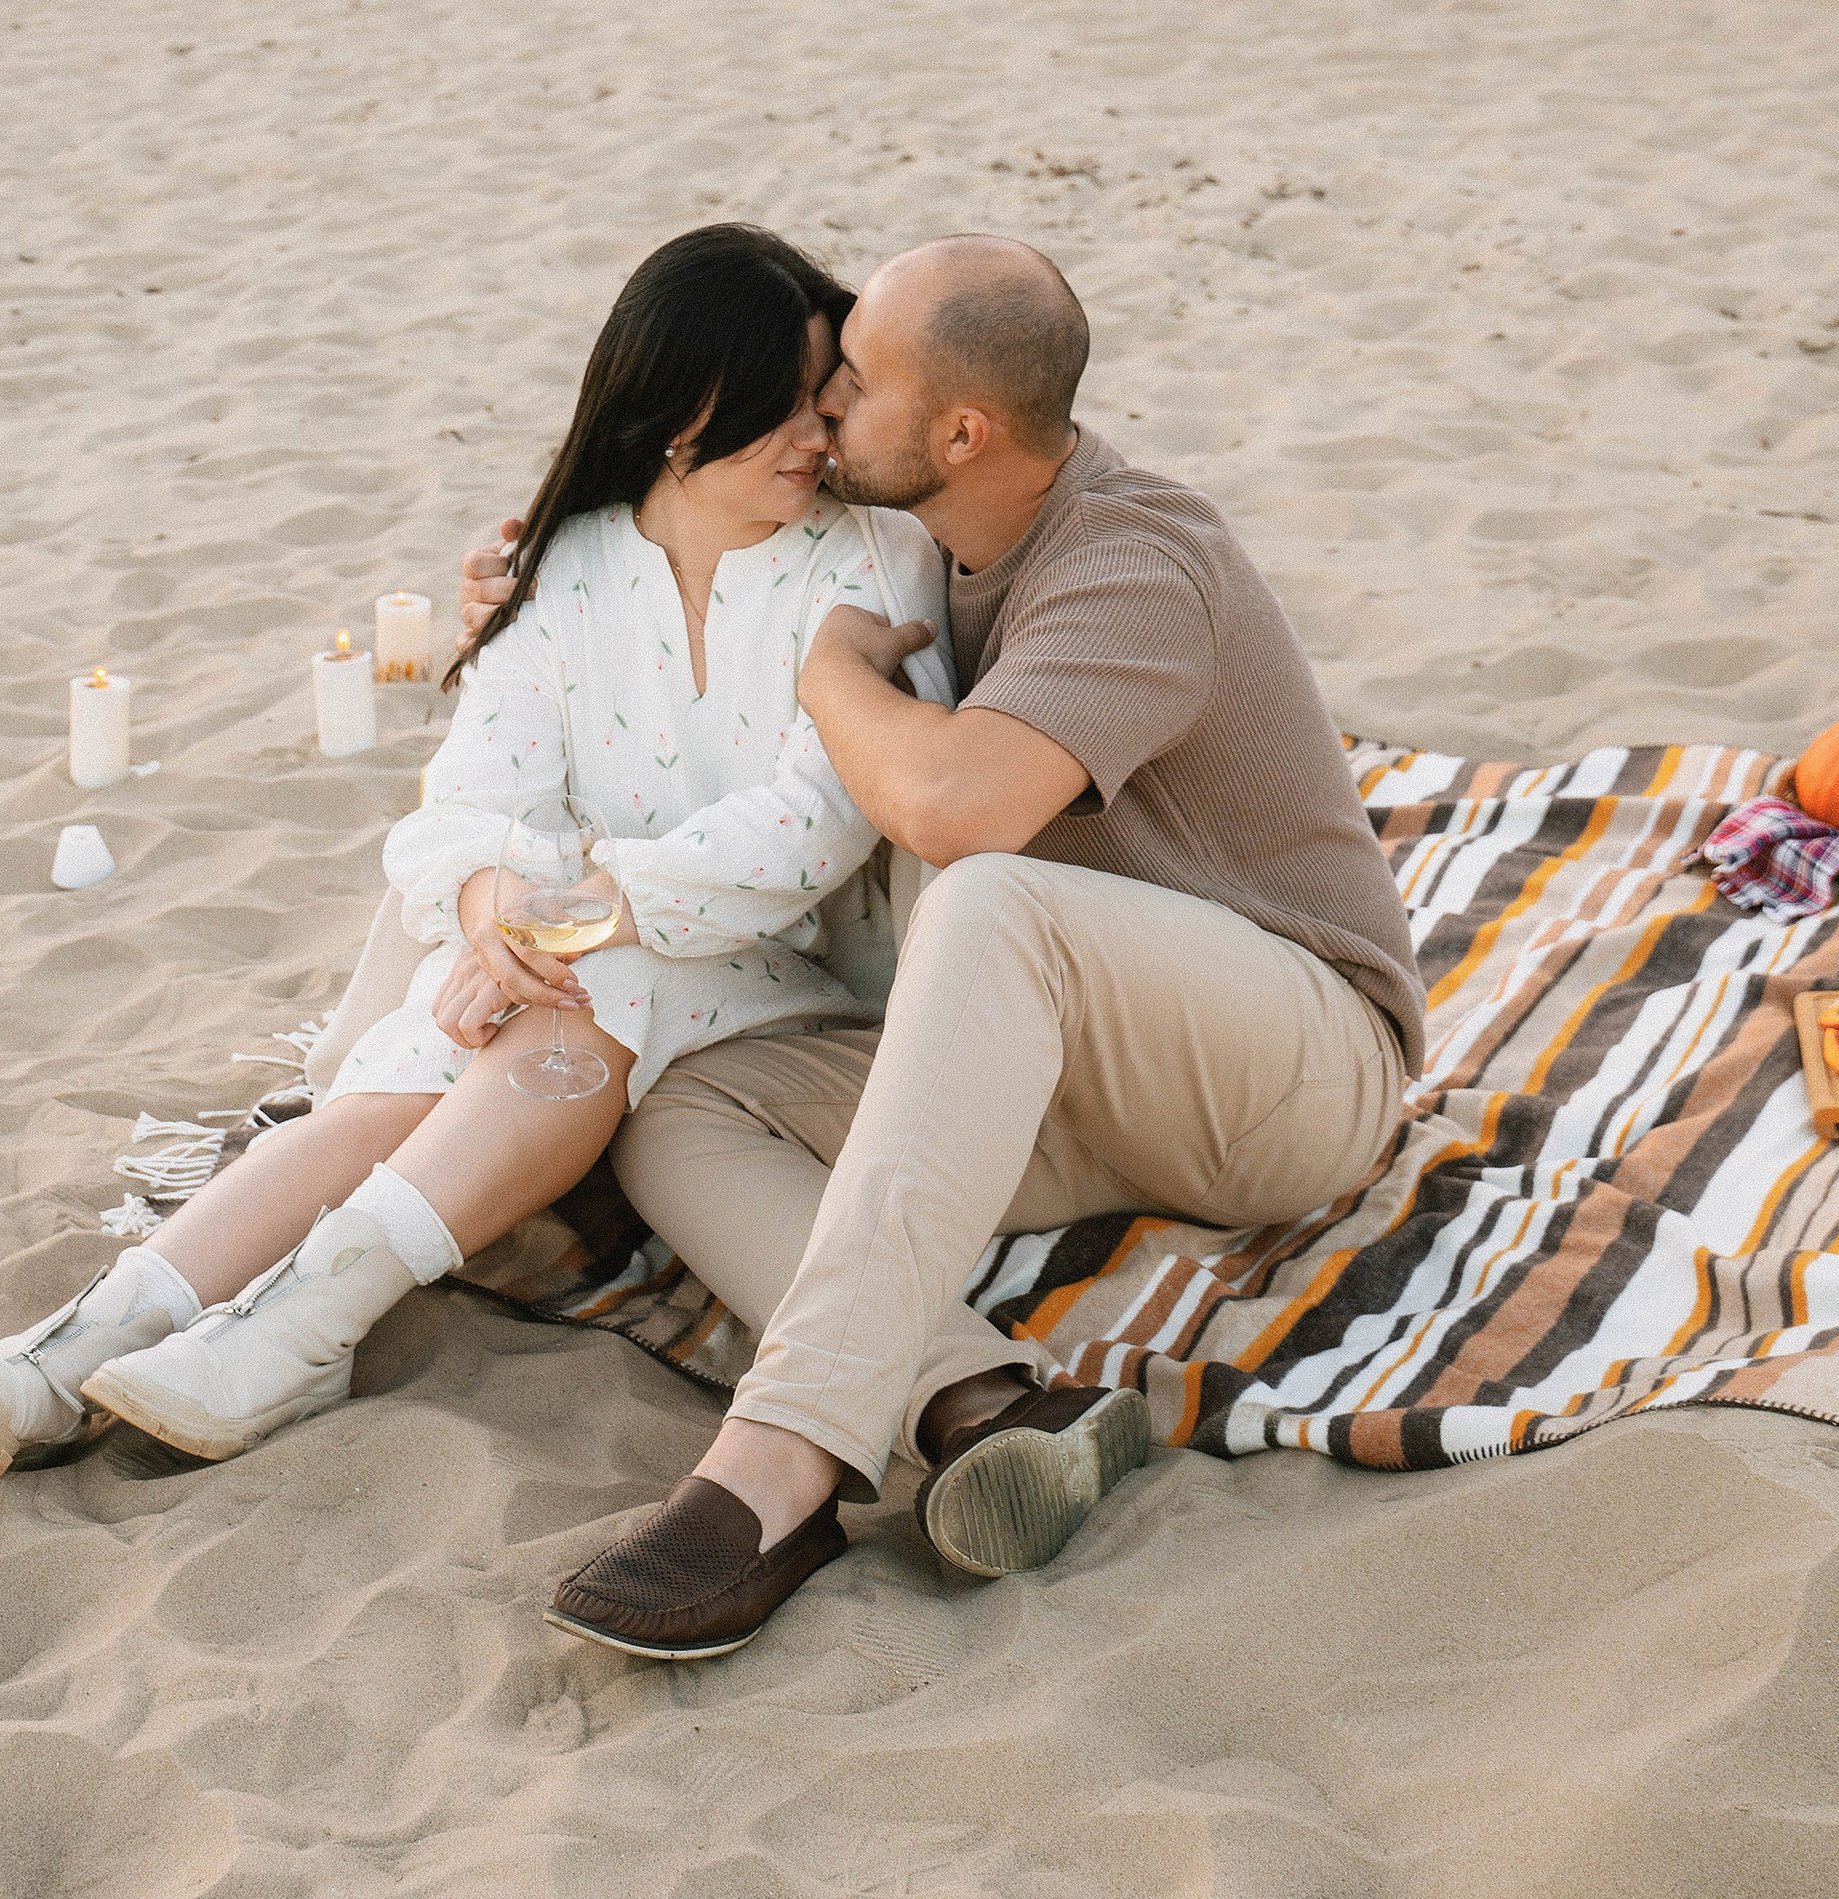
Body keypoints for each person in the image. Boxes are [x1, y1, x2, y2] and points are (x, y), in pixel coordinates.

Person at [458, 238, 1423, 1663]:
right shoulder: (926, 541)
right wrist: (525, 582)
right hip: (1071, 1078)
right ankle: (987, 1405)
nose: (820, 408)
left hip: (1292, 1072)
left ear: (961, 430)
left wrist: (834, 674)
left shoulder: (1137, 557)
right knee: (688, 1107)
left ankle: (781, 1464)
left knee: (985, 891)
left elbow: (955, 805)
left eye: (849, 382)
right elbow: (688, 519)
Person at [0, 222, 945, 1480]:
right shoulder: (569, 567)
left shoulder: (876, 562)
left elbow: (812, 828)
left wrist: (568, 921)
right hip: (580, 963)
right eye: (782, 406)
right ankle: (72, 1353)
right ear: (680, 407)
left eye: (824, 396)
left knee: (560, 993)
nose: (820, 436)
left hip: (785, 984)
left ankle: (299, 1330)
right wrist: (497, 901)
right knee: (414, 1068)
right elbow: (471, 789)